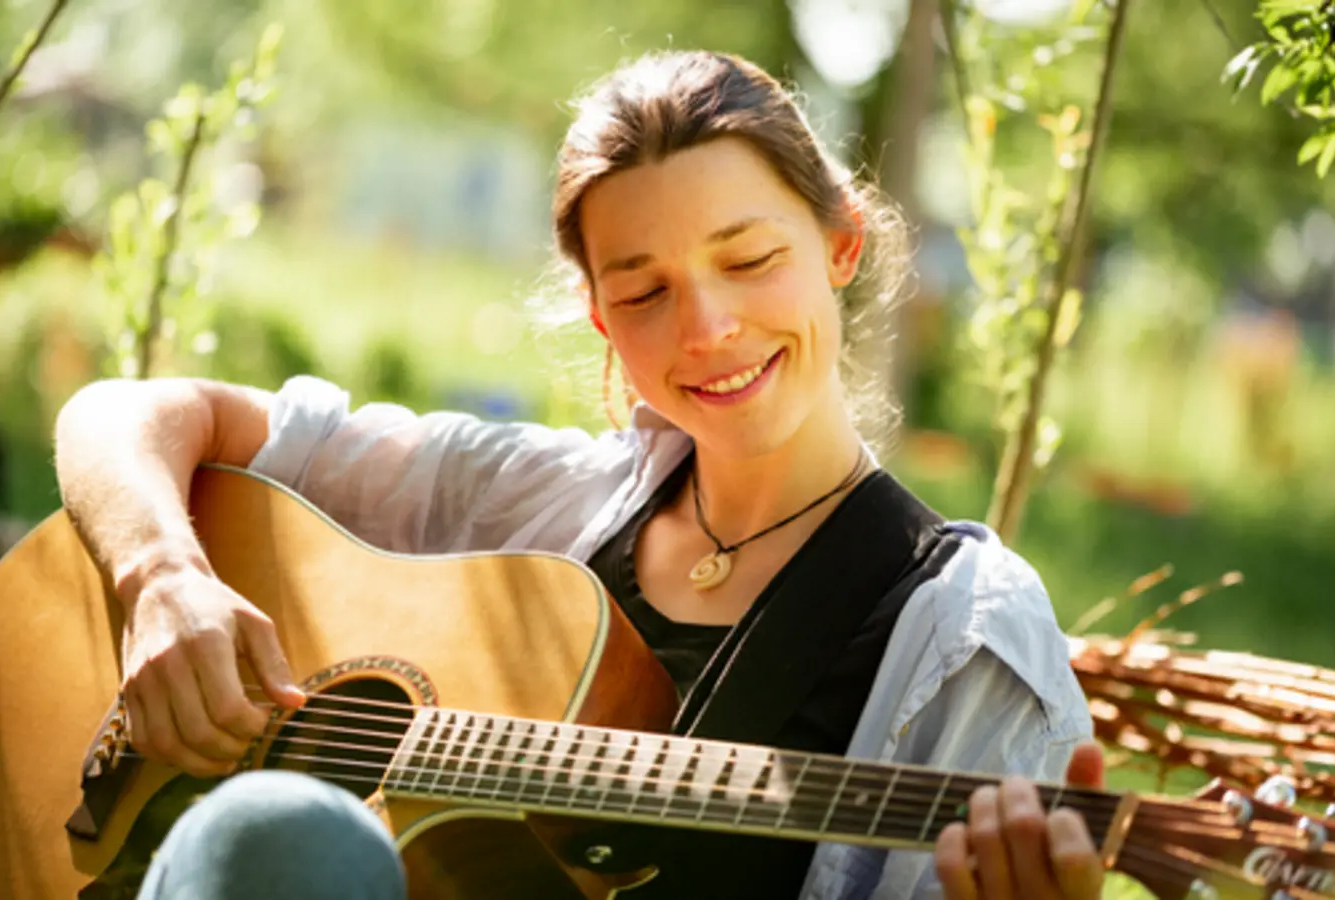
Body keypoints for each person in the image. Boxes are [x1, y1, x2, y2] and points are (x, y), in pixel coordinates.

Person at [54, 49, 1102, 900]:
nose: (706, 330)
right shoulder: (536, 501)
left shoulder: (965, 632)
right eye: (643, 292)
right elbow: (125, 413)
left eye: (746, 261)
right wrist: (161, 579)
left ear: (838, 244)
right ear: (599, 316)